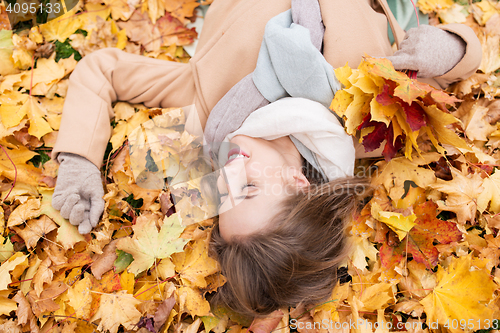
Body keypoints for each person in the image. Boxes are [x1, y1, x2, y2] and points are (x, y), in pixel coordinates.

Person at [51, 0, 482, 318]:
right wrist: (449, 48)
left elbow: (102, 71)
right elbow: (461, 56)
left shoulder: (205, 110)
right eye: (250, 189)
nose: (227, 172)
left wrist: (77, 160)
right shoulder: (370, 126)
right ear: (300, 185)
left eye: (223, 195)